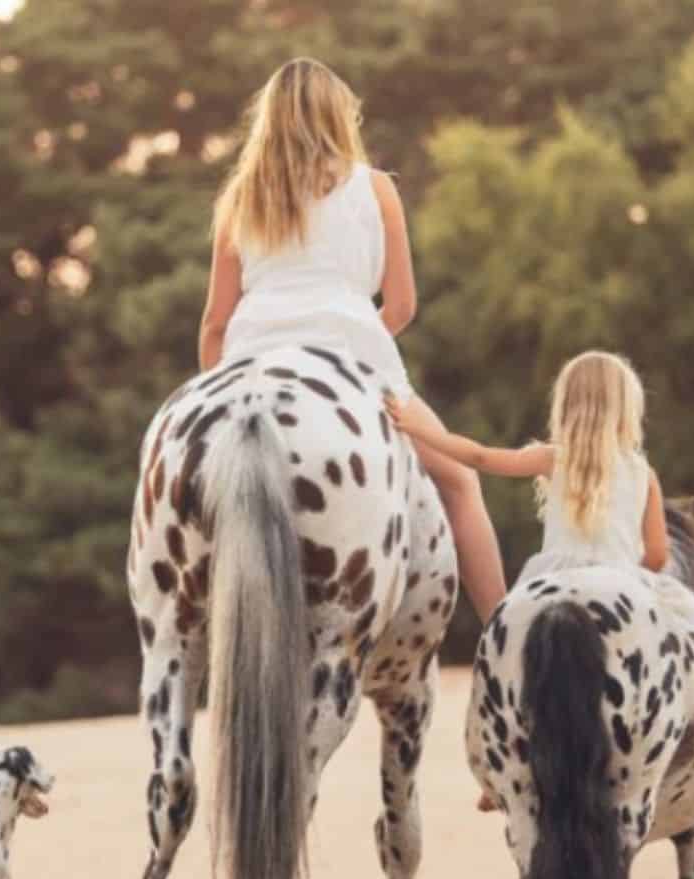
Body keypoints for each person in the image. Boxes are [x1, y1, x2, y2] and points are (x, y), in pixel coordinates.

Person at [195, 56, 507, 620]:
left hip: (250, 361)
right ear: (339, 116)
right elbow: (402, 305)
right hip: (352, 359)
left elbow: (215, 322)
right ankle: (508, 636)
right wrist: (347, 338)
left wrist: (217, 396)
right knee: (460, 481)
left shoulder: (239, 198)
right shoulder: (376, 189)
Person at [388, 350, 694, 778]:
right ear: (628, 409)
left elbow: (478, 456)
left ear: (565, 404)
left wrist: (419, 428)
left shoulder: (552, 458)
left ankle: (499, 756)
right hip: (624, 573)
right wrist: (638, 574)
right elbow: (659, 553)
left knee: (500, 650)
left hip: (554, 577)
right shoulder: (642, 471)